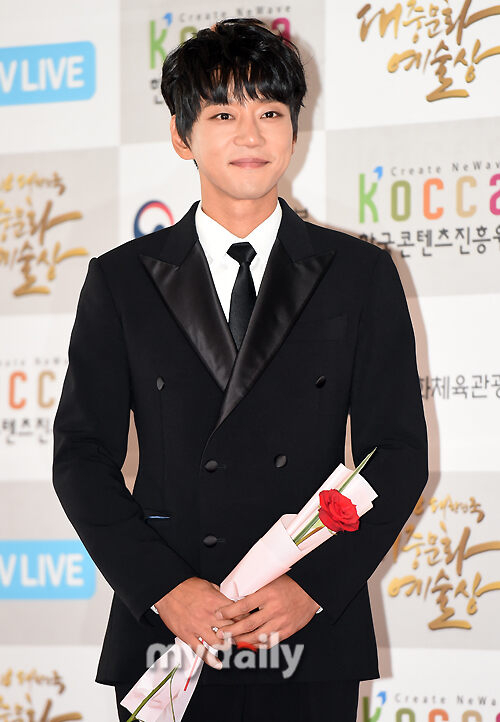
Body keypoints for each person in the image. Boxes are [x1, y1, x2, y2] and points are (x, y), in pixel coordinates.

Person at [52, 17, 428, 722]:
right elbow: (81, 456)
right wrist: (165, 589)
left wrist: (313, 587)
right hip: (171, 630)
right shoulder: (122, 280)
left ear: (295, 128)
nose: (250, 135)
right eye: (223, 114)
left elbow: (397, 452)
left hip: (305, 628)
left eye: (270, 113)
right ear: (181, 135)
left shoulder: (360, 274)